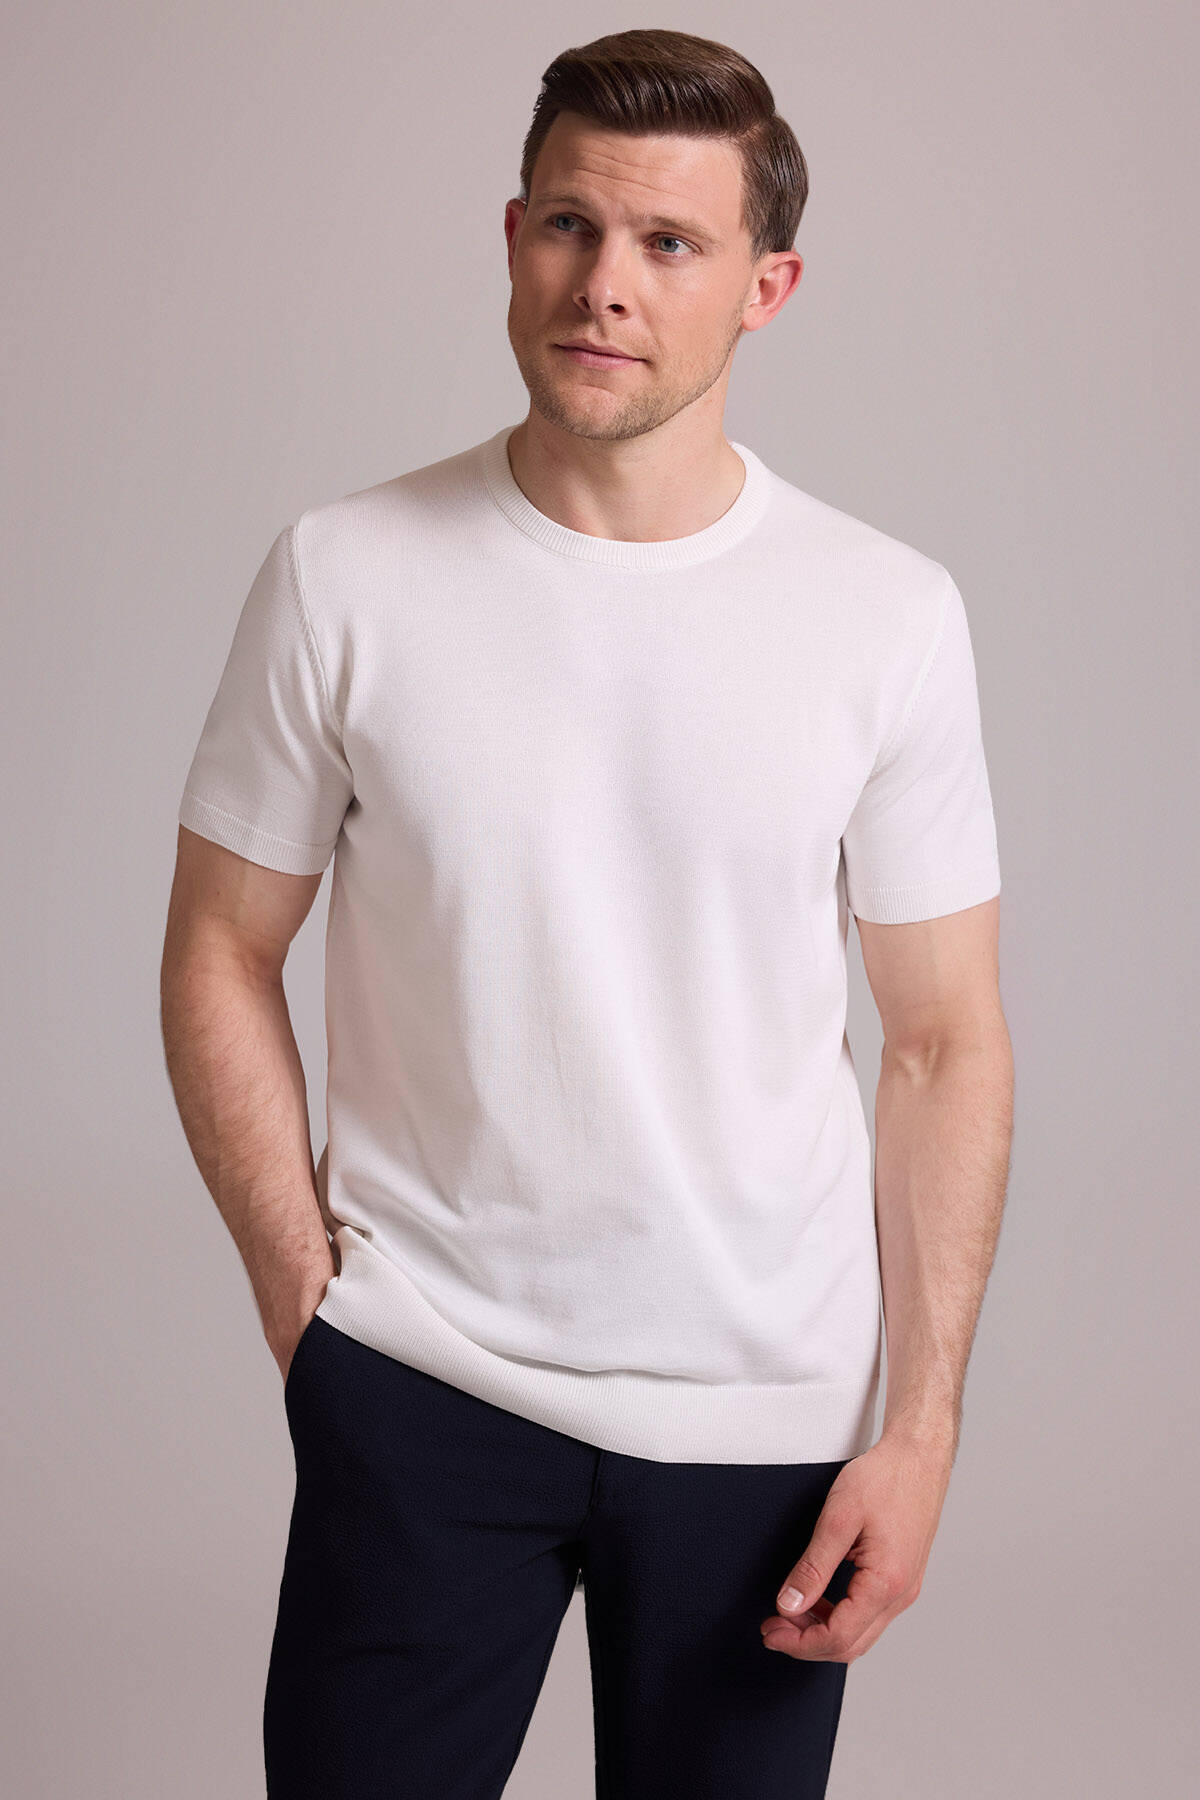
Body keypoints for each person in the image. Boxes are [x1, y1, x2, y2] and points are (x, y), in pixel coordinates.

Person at [160, 26, 1014, 1800]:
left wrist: (922, 1428)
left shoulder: (886, 614)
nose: (604, 283)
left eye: (669, 243)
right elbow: (221, 948)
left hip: (763, 1422)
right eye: (569, 224)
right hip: (421, 1386)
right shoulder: (345, 574)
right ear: (513, 237)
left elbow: (943, 1042)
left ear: (767, 286)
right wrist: (309, 1313)